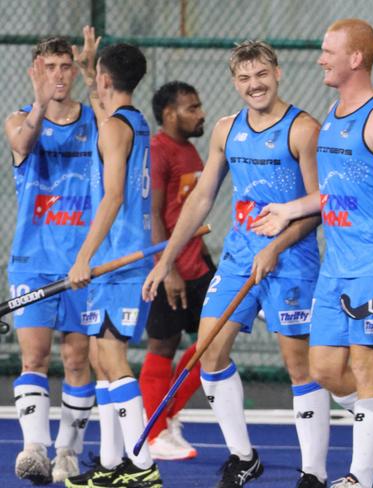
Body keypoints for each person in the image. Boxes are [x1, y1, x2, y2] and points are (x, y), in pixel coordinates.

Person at [142, 41, 330, 488]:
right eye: (244, 78)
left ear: (277, 73)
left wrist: (277, 246)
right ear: (234, 82)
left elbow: (319, 206)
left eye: (261, 75)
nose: (254, 85)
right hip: (240, 258)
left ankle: (314, 473)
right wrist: (165, 259)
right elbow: (201, 199)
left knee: (299, 366)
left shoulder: (303, 129)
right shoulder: (227, 130)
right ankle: (244, 456)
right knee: (209, 352)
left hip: (293, 260)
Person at [252, 19, 373, 488]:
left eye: (329, 50)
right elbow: (332, 193)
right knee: (326, 370)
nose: (320, 58)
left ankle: (358, 477)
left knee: (366, 365)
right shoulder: (331, 114)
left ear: (356, 58)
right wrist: (290, 209)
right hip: (336, 266)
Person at [4, 31, 100, 485]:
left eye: (65, 67)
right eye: (50, 67)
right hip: (33, 260)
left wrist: (92, 76)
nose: (58, 76)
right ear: (35, 71)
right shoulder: (21, 116)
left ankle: (68, 452)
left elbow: (116, 131)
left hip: (83, 260)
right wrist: (41, 103)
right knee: (34, 357)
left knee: (78, 358)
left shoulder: (95, 121)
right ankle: (34, 450)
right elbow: (22, 145)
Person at [65, 42, 162, 488]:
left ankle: (141, 464)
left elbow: (115, 195)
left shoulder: (112, 130)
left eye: (97, 78)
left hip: (116, 261)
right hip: (115, 260)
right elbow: (102, 106)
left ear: (107, 79)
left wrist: (83, 257)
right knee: (103, 361)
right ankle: (110, 462)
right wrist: (90, 71)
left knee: (114, 360)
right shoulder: (132, 121)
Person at [138, 80, 213, 460]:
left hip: (198, 262)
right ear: (170, 114)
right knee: (162, 347)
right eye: (192, 108)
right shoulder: (157, 152)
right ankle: (154, 433)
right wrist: (165, 268)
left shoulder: (192, 150)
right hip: (171, 267)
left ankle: (163, 415)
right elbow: (153, 214)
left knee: (214, 341)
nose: (201, 114)